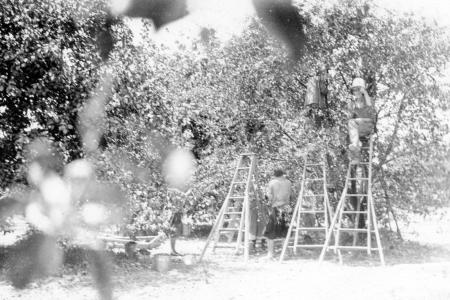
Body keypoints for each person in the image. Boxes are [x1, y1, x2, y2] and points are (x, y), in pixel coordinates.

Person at [263, 168, 292, 259]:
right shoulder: (288, 182)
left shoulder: (272, 183)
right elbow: (290, 195)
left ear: (275, 175)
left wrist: (267, 202)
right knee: (285, 231)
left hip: (276, 208)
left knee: (270, 232)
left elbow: (269, 197)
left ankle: (271, 254)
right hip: (286, 208)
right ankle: (285, 253)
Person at [347, 77, 376, 162]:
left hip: (368, 125)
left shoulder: (368, 99)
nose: (357, 92)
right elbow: (349, 117)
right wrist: (351, 108)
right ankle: (356, 155)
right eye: (355, 90)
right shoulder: (352, 103)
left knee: (352, 123)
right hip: (359, 128)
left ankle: (356, 144)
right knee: (352, 137)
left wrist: (365, 93)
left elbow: (370, 106)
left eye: (359, 89)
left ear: (362, 90)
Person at [166, 186, 191, 256]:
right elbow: (180, 199)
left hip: (176, 214)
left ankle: (173, 250)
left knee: (174, 233)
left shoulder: (176, 193)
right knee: (173, 233)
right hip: (175, 215)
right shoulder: (174, 192)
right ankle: (172, 250)